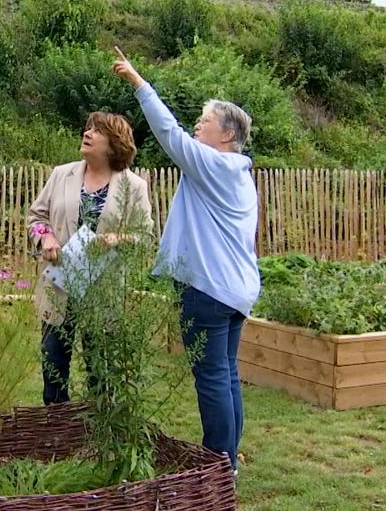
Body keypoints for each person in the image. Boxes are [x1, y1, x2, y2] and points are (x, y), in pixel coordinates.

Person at [112, 47, 260, 476]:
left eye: (206, 120)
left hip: (208, 289)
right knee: (227, 375)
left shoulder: (214, 165)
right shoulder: (238, 173)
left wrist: (139, 84)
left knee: (213, 378)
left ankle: (218, 465)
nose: (198, 124)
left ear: (227, 135)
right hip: (235, 290)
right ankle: (228, 460)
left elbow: (169, 133)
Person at [27, 111, 154, 406]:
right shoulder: (62, 174)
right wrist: (46, 237)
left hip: (103, 288)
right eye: (87, 128)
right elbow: (36, 217)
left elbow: (145, 237)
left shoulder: (134, 187)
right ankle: (56, 429)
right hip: (59, 285)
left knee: (100, 367)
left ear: (114, 144)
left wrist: (116, 239)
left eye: (97, 131)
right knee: (54, 362)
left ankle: (96, 429)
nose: (87, 134)